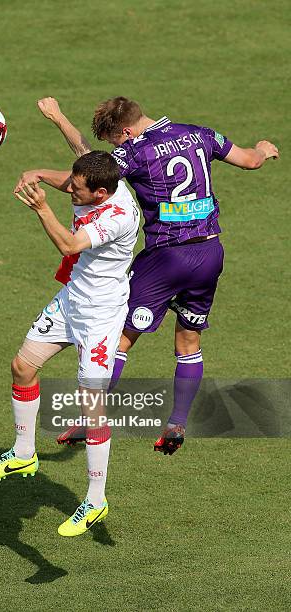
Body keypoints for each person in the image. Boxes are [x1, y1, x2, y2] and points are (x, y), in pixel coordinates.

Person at [19, 96, 279, 455]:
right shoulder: (198, 134)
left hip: (165, 258)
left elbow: (86, 179)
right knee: (189, 342)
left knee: (122, 336)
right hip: (209, 254)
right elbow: (250, 160)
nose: (115, 148)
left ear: (126, 130)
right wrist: (263, 150)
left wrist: (40, 173)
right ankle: (176, 424)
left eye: (114, 141)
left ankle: (89, 418)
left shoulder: (136, 151)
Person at [0, 151, 139, 536]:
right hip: (71, 301)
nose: (70, 189)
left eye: (78, 189)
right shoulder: (97, 186)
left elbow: (69, 246)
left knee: (90, 406)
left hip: (100, 318)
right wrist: (34, 169)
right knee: (22, 366)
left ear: (101, 193)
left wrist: (41, 207)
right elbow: (71, 179)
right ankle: (23, 453)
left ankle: (96, 501)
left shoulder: (117, 217)